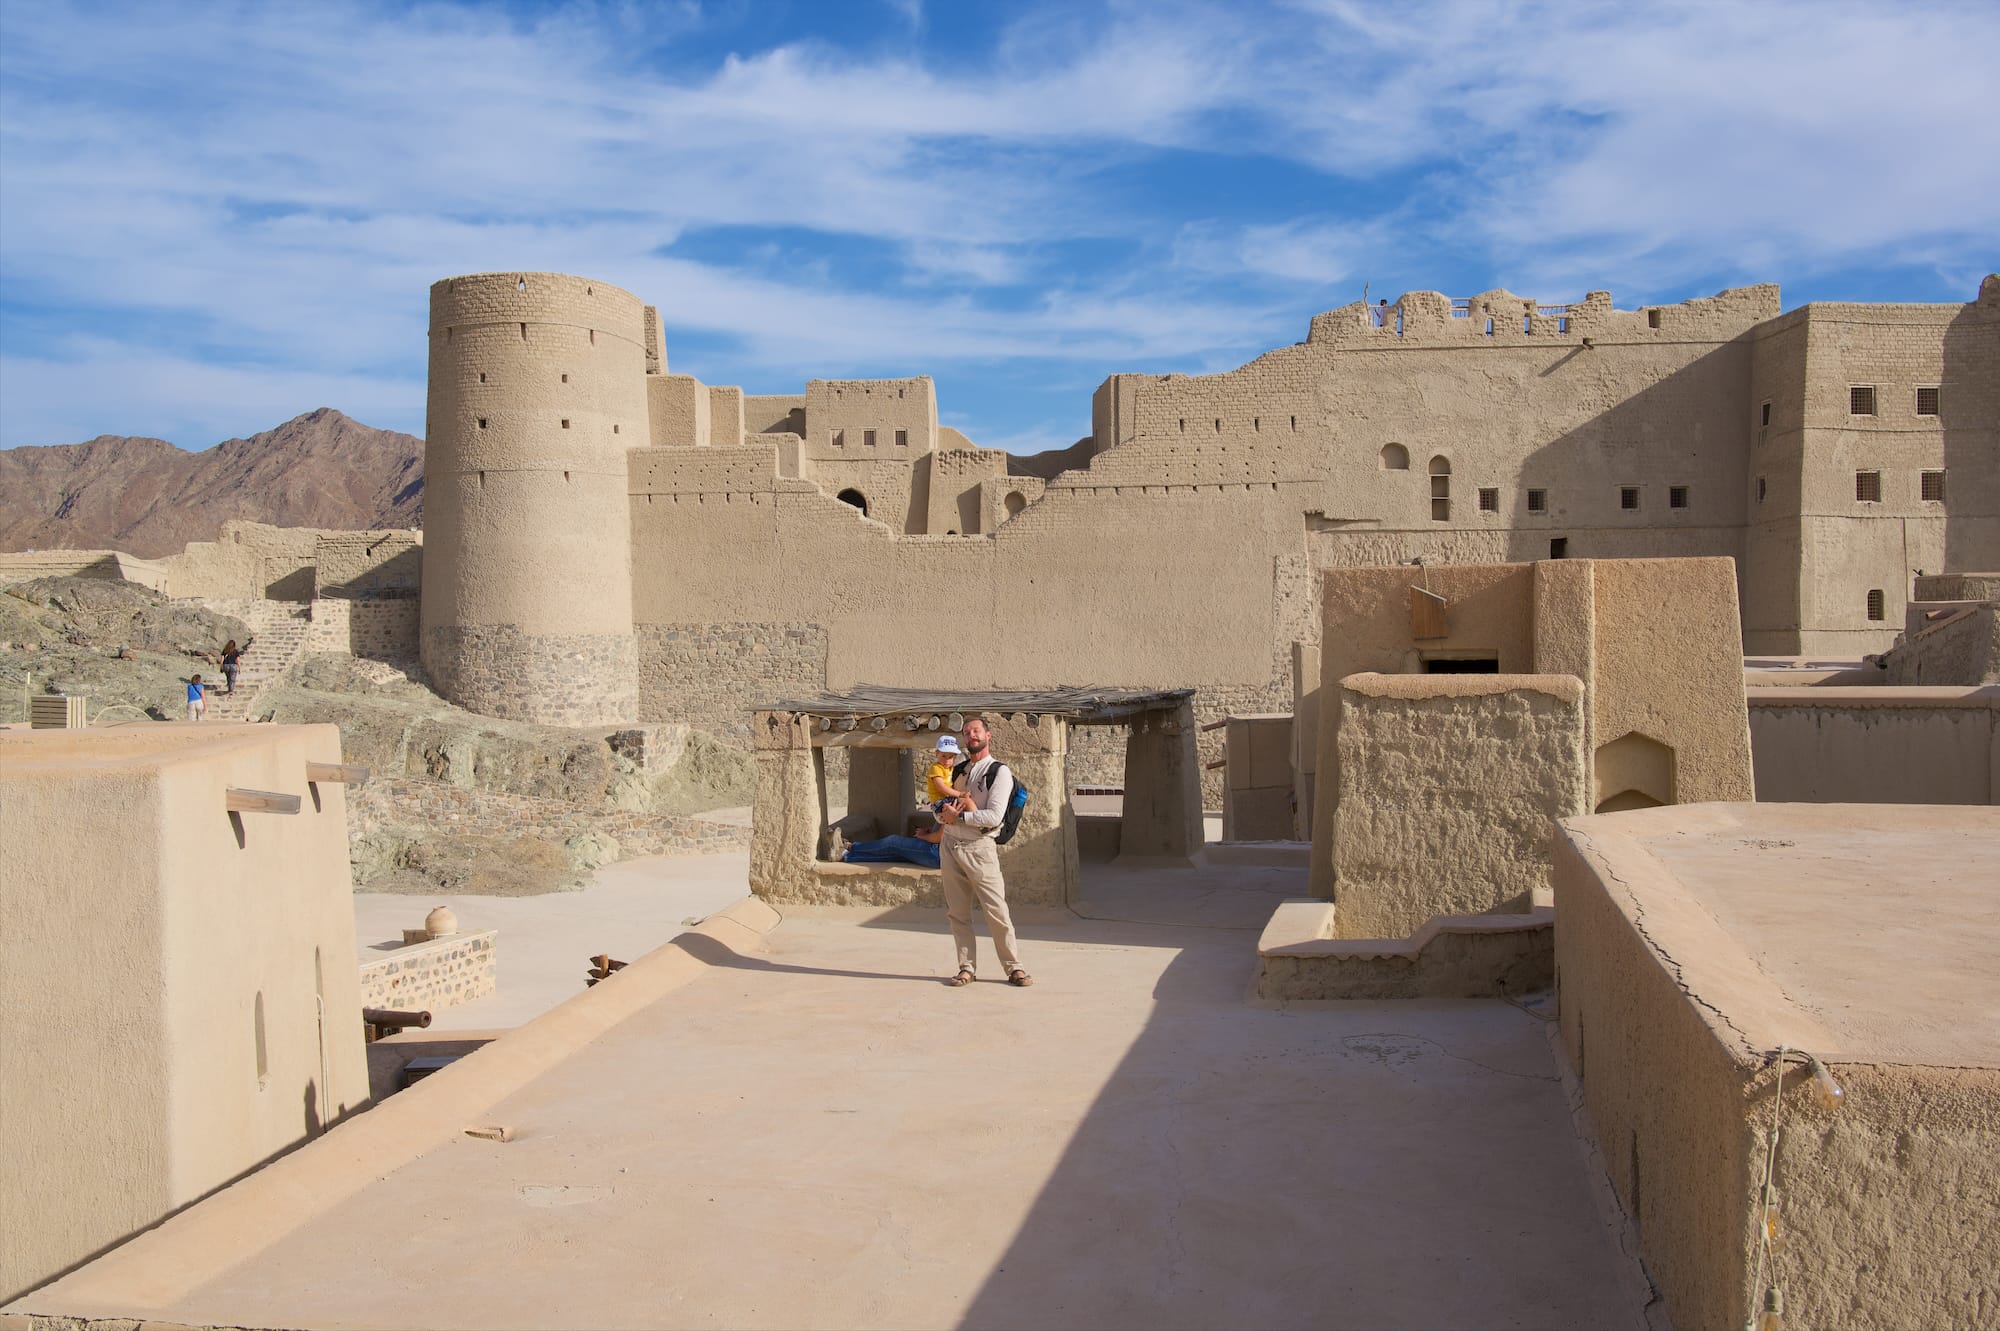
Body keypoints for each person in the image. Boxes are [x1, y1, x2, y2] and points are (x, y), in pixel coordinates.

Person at [937, 716, 1032, 988]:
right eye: (967, 732)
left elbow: (994, 817)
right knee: (957, 913)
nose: (972, 736)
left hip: (979, 849)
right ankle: (966, 968)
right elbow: (940, 805)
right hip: (950, 846)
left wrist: (959, 818)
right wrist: (943, 815)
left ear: (988, 736)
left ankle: (1014, 967)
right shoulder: (957, 770)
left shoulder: (999, 772)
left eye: (976, 731)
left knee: (996, 910)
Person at [843, 823, 943, 869]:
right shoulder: (949, 800)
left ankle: (851, 847)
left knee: (892, 842)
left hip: (936, 853)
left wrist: (923, 836)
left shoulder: (952, 804)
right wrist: (929, 830)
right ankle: (846, 855)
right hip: (938, 852)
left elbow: (939, 837)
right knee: (893, 855)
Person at [925, 735, 963, 804]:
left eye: (950, 757)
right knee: (965, 802)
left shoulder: (950, 768)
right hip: (939, 801)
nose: (947, 760)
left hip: (947, 798)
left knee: (967, 802)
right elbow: (941, 787)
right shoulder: (936, 768)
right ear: (937, 754)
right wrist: (959, 794)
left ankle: (977, 811)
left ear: (955, 757)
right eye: (943, 756)